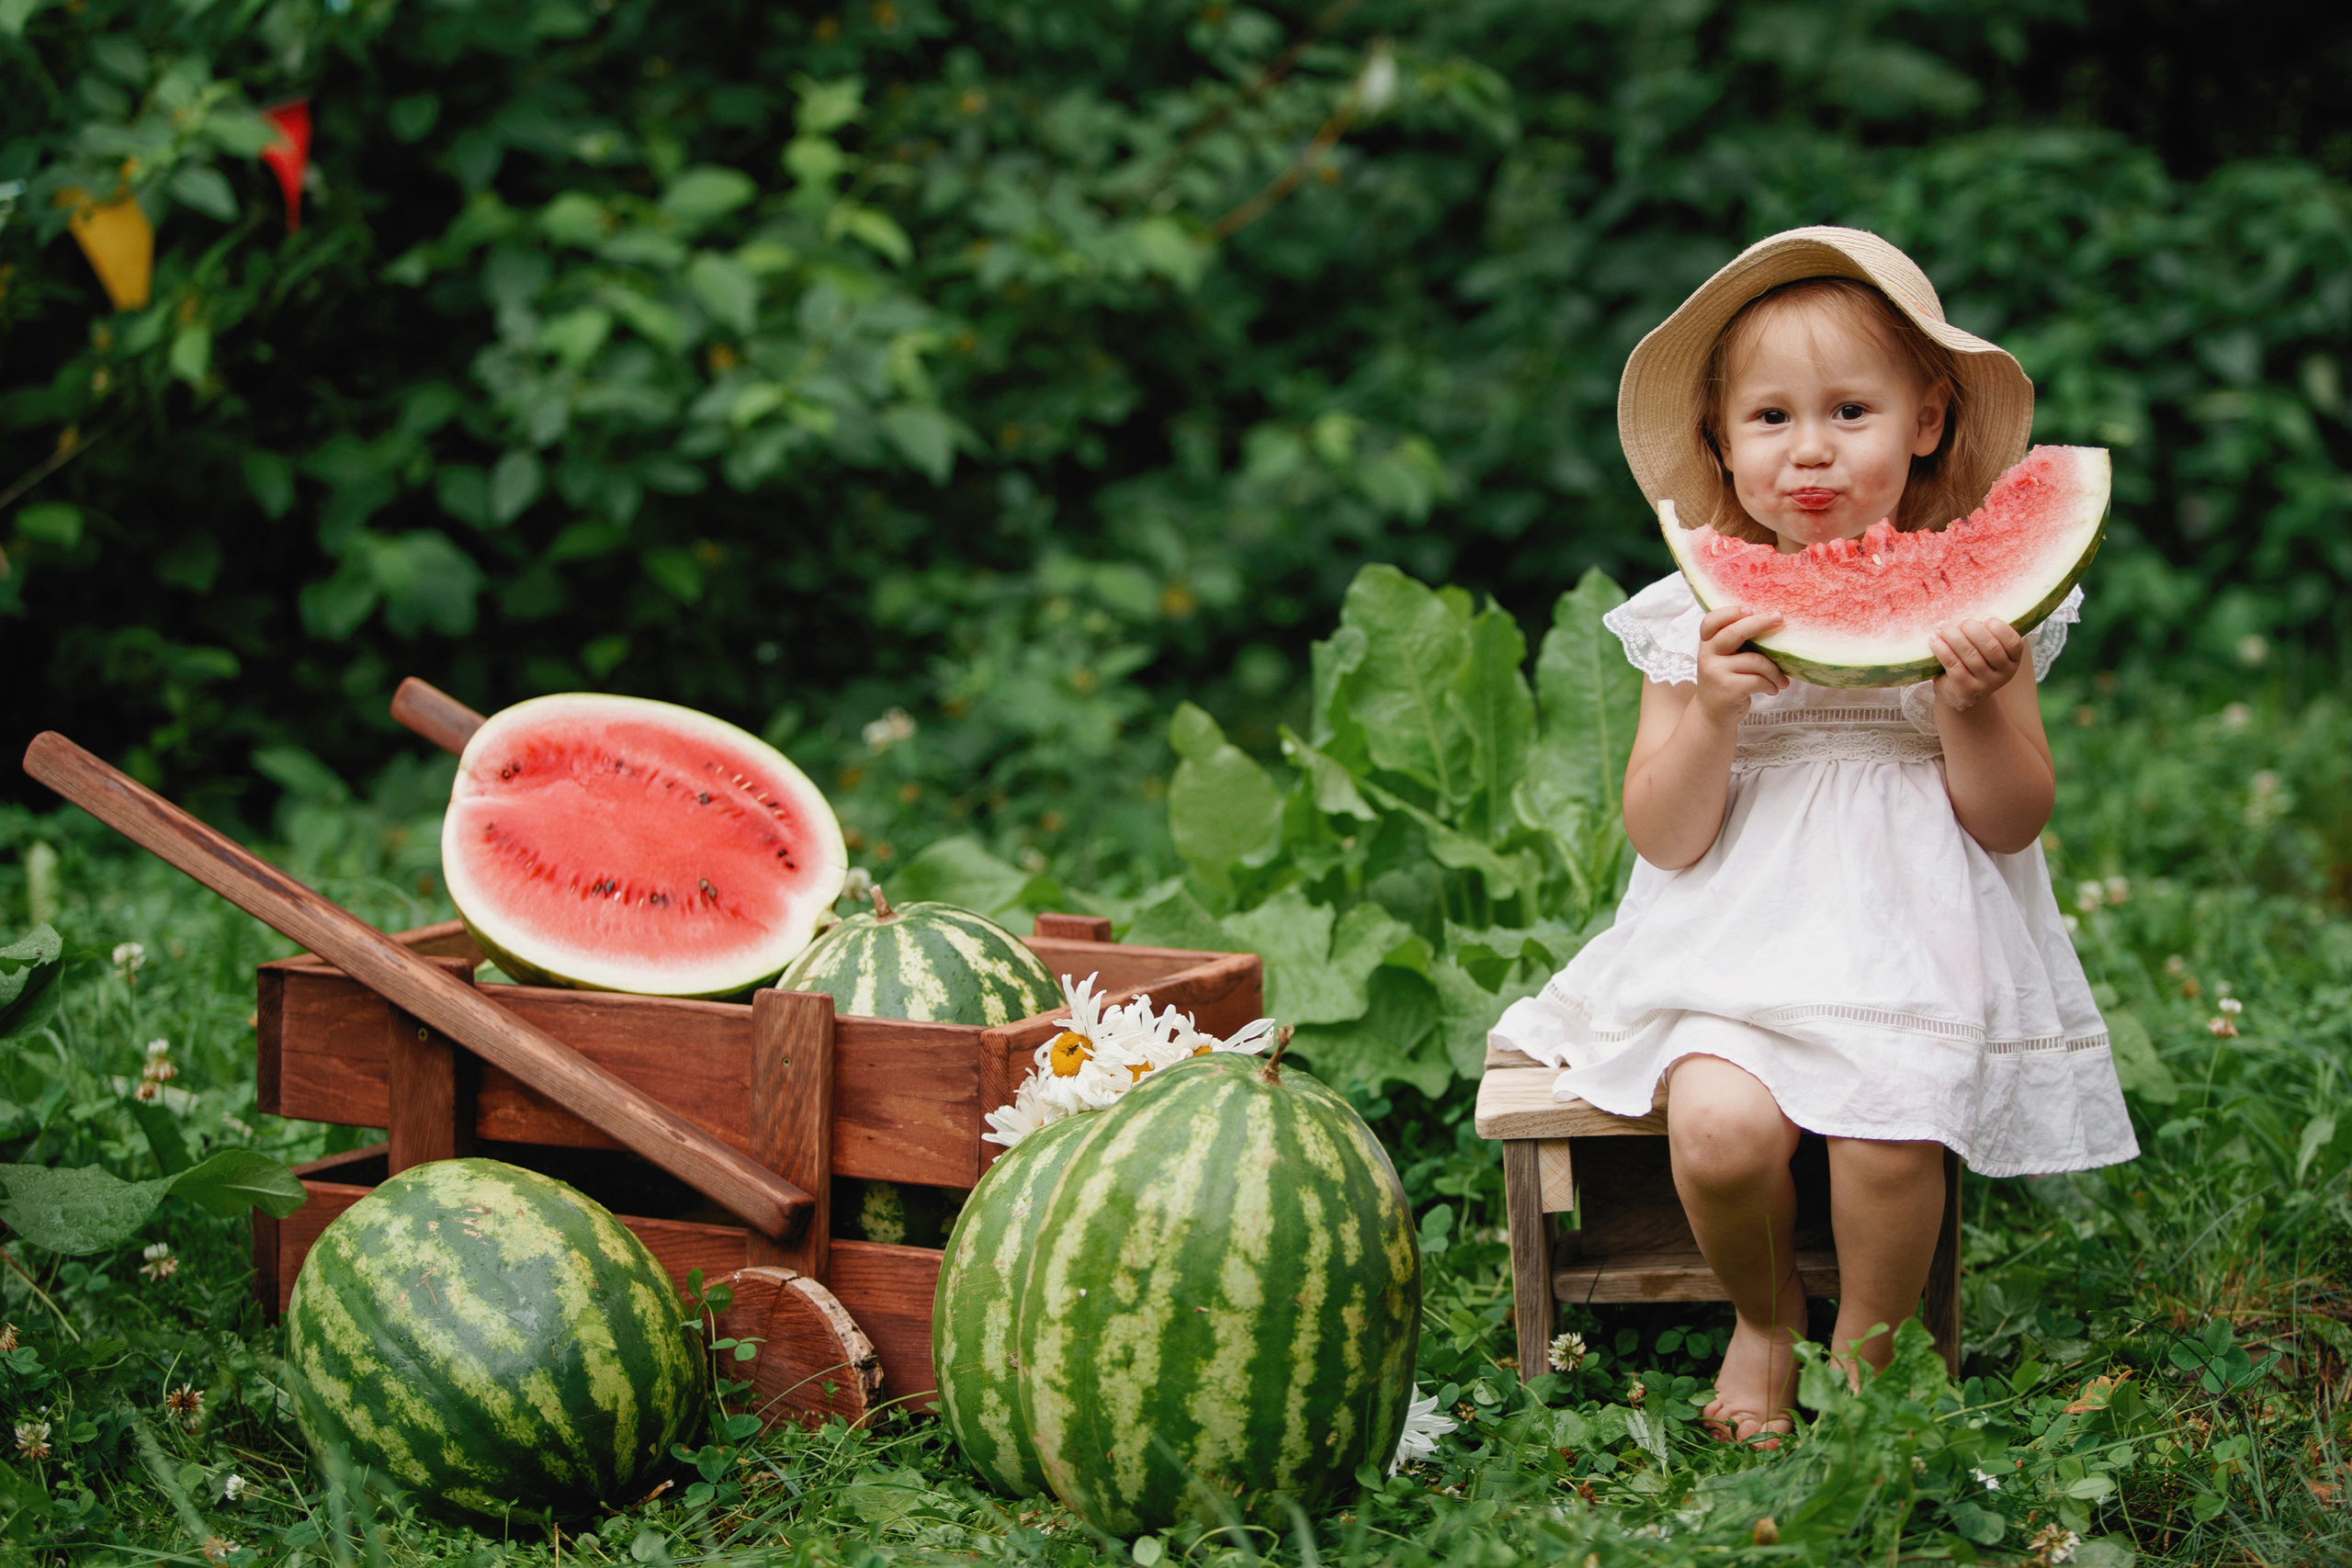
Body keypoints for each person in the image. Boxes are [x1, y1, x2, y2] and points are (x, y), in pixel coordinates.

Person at [1492, 227, 2136, 1445]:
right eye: (1773, 419)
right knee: (1720, 1133)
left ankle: (1872, 1345)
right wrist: (1713, 719)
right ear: (1723, 450)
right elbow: (1664, 836)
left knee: (1891, 1139)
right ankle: (1766, 1313)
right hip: (1732, 941)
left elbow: (2013, 817)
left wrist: (1968, 713)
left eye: (1851, 409)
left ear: (1928, 422)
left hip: (1910, 940)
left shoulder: (1987, 614)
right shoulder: (1691, 620)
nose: (1812, 450)